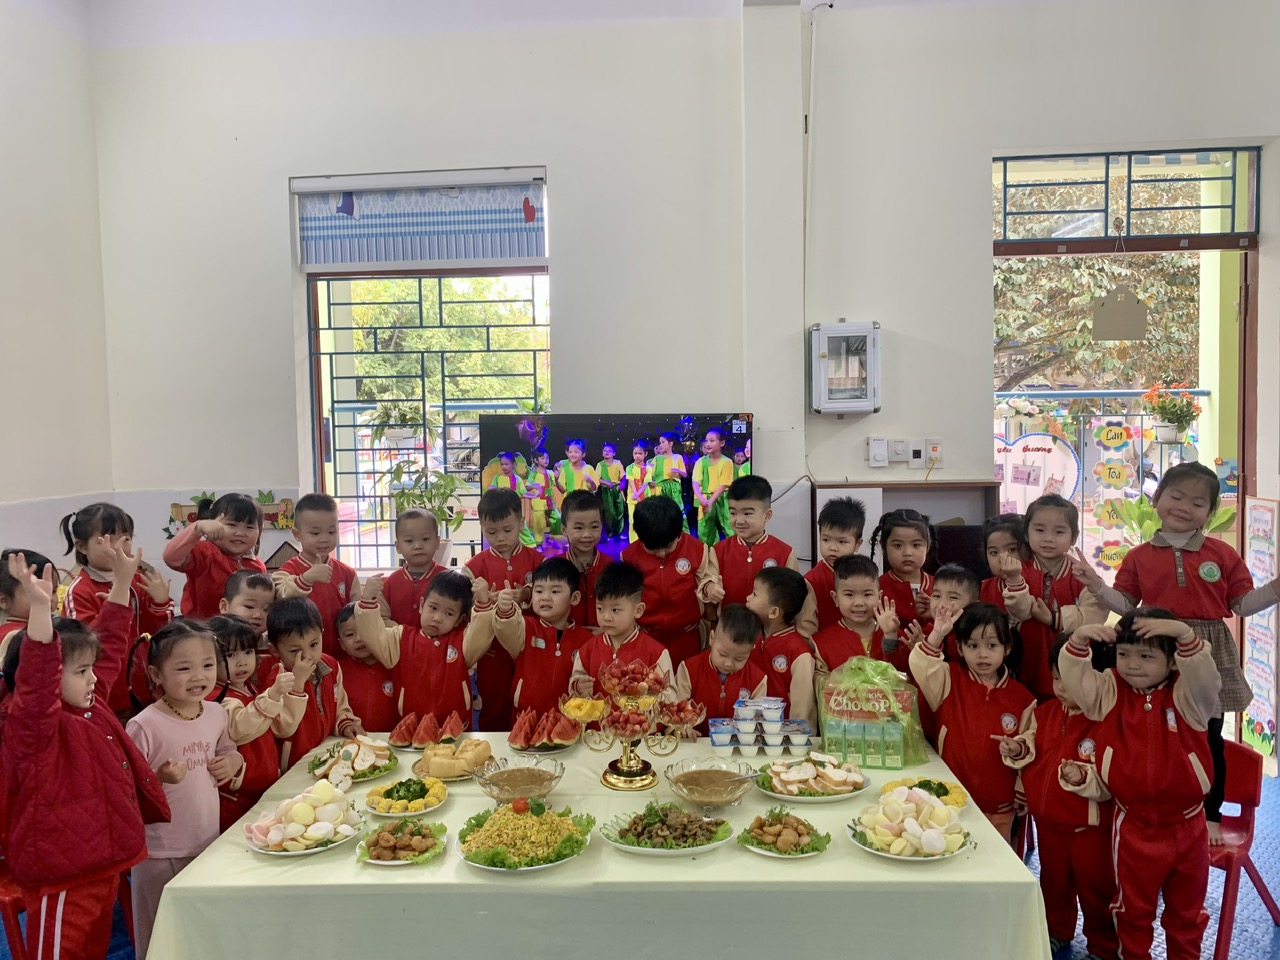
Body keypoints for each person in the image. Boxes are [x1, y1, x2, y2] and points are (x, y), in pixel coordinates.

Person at [1071, 461, 1280, 845]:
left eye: (1198, 503)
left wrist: (1275, 589)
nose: (1185, 507)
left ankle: (1210, 814)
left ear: (1210, 513)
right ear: (1156, 499)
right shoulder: (1139, 556)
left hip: (1206, 651)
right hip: (1156, 648)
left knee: (1208, 736)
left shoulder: (1223, 554)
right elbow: (1126, 604)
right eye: (1176, 496)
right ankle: (1148, 803)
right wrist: (1096, 585)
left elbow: (1243, 604)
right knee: (1156, 729)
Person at [1, 549, 169, 960]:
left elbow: (109, 646)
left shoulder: (90, 705)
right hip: (63, 872)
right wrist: (40, 610)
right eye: (81, 671)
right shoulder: (32, 725)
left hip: (101, 861)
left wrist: (122, 583)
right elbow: (38, 677)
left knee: (93, 947)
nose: (94, 678)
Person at [1058, 611, 1222, 960]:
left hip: (1187, 826)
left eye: (1146, 656)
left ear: (1173, 661)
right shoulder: (1109, 692)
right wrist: (1078, 641)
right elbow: (1076, 681)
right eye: (1124, 654)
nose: (1133, 665)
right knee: (1132, 910)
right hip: (1132, 826)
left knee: (1187, 913)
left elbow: (1207, 677)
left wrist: (1184, 634)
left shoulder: (1189, 695)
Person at [126, 619, 244, 958]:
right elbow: (126, 788)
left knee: (199, 924)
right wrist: (158, 778)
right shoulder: (144, 725)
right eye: (183, 668)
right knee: (158, 930)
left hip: (206, 840)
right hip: (158, 851)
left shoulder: (215, 713)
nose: (198, 676)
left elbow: (229, 750)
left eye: (207, 665)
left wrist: (233, 762)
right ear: (156, 674)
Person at [1000, 635, 1118, 960]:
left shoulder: (1108, 720)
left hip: (1090, 828)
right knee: (1053, 884)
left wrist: (1083, 776)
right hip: (1049, 822)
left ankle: (1104, 947)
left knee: (1097, 890)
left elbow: (1114, 775)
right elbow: (1031, 746)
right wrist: (1017, 749)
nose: (1062, 688)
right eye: (1055, 678)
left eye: (1071, 680)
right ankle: (1056, 932)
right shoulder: (1045, 712)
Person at [908, 602, 1034, 844]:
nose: (982, 654)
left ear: (1007, 648)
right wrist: (937, 633)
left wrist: (1018, 756)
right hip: (949, 798)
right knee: (949, 852)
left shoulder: (1023, 699)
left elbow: (1032, 746)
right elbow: (921, 666)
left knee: (993, 859)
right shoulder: (949, 677)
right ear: (959, 647)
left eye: (992, 645)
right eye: (973, 645)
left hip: (999, 805)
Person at [61, 502, 174, 713]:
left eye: (126, 538)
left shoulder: (138, 579)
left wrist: (160, 602)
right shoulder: (80, 590)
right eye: (106, 539)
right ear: (82, 547)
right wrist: (112, 610)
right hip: (109, 693)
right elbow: (84, 648)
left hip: (145, 687)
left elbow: (159, 634)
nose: (118, 546)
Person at [206, 615, 304, 832]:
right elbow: (240, 729)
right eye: (230, 655)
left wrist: (293, 691)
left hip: (259, 789)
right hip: (236, 798)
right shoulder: (216, 697)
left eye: (248, 652)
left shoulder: (247, 688)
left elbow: (277, 727)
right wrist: (273, 694)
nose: (242, 662)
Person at [462, 488, 544, 731]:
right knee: (493, 705)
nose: (500, 538)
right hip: (491, 652)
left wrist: (527, 595)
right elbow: (463, 610)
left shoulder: (538, 562)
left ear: (521, 523)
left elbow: (550, 601)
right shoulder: (474, 567)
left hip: (530, 647)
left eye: (507, 530)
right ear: (482, 528)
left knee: (531, 702)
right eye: (491, 532)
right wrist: (483, 602)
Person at [357, 571, 485, 726]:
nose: (437, 618)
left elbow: (482, 633)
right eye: (433, 607)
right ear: (422, 605)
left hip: (457, 729)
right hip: (411, 728)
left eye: (449, 613)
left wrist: (483, 602)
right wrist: (367, 600)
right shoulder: (401, 638)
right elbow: (372, 635)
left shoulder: (464, 641)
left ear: (459, 620)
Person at [475, 557, 591, 714]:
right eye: (539, 591)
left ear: (574, 598)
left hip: (567, 720)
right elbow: (507, 628)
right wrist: (505, 609)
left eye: (555, 591)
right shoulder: (525, 627)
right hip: (524, 718)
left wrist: (579, 687)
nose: (545, 597)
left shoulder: (586, 640)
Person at [259, 597, 361, 771]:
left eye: (314, 644)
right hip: (293, 765)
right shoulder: (277, 681)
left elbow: (340, 705)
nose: (307, 656)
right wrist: (297, 684)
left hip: (326, 752)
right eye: (295, 651)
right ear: (274, 650)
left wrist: (345, 723)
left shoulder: (331, 666)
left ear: (322, 634)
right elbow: (282, 729)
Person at [622, 495, 720, 668]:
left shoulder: (697, 550)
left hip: (687, 635)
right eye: (653, 549)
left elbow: (707, 577)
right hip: (647, 636)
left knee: (687, 678)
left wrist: (710, 588)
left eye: (668, 546)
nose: (661, 553)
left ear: (678, 533)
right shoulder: (629, 556)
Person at [271, 492, 359, 659]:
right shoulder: (286, 571)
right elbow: (281, 598)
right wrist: (306, 579)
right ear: (297, 534)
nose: (324, 539)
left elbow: (357, 616)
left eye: (331, 532)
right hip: (302, 659)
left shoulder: (348, 573)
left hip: (342, 657)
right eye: (315, 533)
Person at [569, 562, 673, 697]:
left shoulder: (656, 653)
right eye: (600, 608)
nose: (606, 617)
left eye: (615, 610)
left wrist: (649, 695)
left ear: (638, 610)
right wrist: (578, 687)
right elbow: (575, 685)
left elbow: (670, 696)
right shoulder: (587, 650)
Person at [163, 493, 267, 619]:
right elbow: (171, 557)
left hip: (242, 629)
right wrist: (197, 528)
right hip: (201, 628)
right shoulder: (204, 553)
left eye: (249, 527)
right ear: (212, 524)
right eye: (231, 525)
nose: (240, 533)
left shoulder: (257, 566)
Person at [674, 603, 767, 736]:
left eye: (739, 659)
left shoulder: (757, 679)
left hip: (736, 742)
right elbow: (676, 709)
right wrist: (681, 726)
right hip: (695, 741)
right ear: (712, 638)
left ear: (751, 649)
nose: (728, 664)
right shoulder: (689, 669)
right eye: (722, 654)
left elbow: (757, 721)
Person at [713, 474, 800, 610]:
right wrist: (710, 590)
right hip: (730, 622)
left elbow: (793, 598)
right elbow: (708, 587)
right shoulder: (718, 551)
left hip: (769, 623)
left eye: (747, 514)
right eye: (733, 513)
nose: (739, 521)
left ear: (767, 515)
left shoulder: (785, 553)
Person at [746, 566, 815, 729]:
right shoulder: (748, 635)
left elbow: (802, 708)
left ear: (774, 612)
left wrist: (796, 736)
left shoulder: (798, 652)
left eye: (755, 594)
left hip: (781, 735)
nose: (748, 598)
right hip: (747, 728)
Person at [811, 554, 896, 680]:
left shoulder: (893, 633)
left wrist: (891, 637)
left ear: (879, 596)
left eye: (867, 594)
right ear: (835, 598)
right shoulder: (821, 643)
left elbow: (903, 675)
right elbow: (819, 683)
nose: (859, 603)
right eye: (849, 595)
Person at [801, 496, 866, 635]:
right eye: (826, 539)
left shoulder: (865, 573)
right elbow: (806, 628)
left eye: (842, 542)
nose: (832, 548)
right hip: (824, 644)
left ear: (858, 544)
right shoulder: (811, 581)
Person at [334, 602, 397, 733]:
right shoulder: (337, 670)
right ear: (341, 644)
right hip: (351, 739)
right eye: (349, 634)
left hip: (392, 739)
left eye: (365, 631)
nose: (358, 638)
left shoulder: (394, 664)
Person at [870, 508, 935, 636]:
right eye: (898, 545)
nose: (907, 553)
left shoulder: (940, 586)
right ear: (883, 546)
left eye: (916, 545)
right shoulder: (876, 588)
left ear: (927, 546)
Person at [0, 548, 58, 688]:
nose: (48, 597)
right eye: (34, 591)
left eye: (53, 590)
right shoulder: (14, 636)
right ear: (4, 601)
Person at [381, 508, 447, 627]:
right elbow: (382, 619)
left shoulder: (447, 579)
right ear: (398, 546)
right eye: (409, 541)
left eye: (425, 539)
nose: (417, 546)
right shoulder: (391, 583)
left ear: (437, 542)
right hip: (399, 639)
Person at [560, 490, 612, 629]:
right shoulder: (555, 568)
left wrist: (606, 631)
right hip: (567, 638)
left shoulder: (611, 567)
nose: (587, 534)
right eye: (578, 528)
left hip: (604, 639)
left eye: (594, 527)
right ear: (564, 529)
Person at [692, 426, 734, 545]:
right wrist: (701, 498)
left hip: (722, 498)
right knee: (704, 531)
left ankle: (733, 553)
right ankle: (708, 554)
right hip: (704, 499)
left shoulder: (727, 462)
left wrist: (710, 502)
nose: (708, 444)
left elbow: (723, 484)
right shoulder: (701, 461)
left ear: (722, 443)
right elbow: (695, 481)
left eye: (712, 440)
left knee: (729, 529)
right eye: (706, 440)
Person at [487, 452, 537, 546]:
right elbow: (492, 488)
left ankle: (530, 545)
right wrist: (491, 489)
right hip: (501, 510)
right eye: (502, 464)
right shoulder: (497, 478)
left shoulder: (518, 479)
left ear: (513, 464)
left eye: (506, 464)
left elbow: (523, 493)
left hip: (515, 509)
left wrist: (534, 496)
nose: (504, 466)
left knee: (522, 527)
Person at [646, 432, 688, 531]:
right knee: (661, 512)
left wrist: (678, 471)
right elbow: (649, 473)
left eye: (663, 442)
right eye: (660, 442)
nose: (660, 445)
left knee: (678, 510)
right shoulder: (657, 459)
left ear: (670, 443)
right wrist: (650, 481)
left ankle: (683, 533)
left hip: (674, 487)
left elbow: (685, 474)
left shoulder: (678, 457)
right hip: (660, 487)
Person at [596, 442, 626, 539]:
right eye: (605, 450)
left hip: (617, 489)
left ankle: (620, 532)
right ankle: (610, 532)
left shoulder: (618, 463)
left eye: (609, 451)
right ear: (602, 453)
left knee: (620, 510)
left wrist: (623, 483)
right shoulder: (600, 465)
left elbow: (623, 476)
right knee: (610, 512)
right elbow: (597, 478)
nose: (607, 452)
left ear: (614, 453)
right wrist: (606, 482)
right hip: (606, 490)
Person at [624, 441, 652, 544]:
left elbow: (645, 483)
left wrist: (639, 495)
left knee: (645, 520)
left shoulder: (648, 468)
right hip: (633, 498)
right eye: (635, 453)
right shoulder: (629, 467)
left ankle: (645, 541)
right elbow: (631, 482)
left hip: (645, 497)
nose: (637, 456)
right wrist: (635, 495)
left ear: (645, 454)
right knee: (632, 521)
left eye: (640, 453)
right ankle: (633, 543)